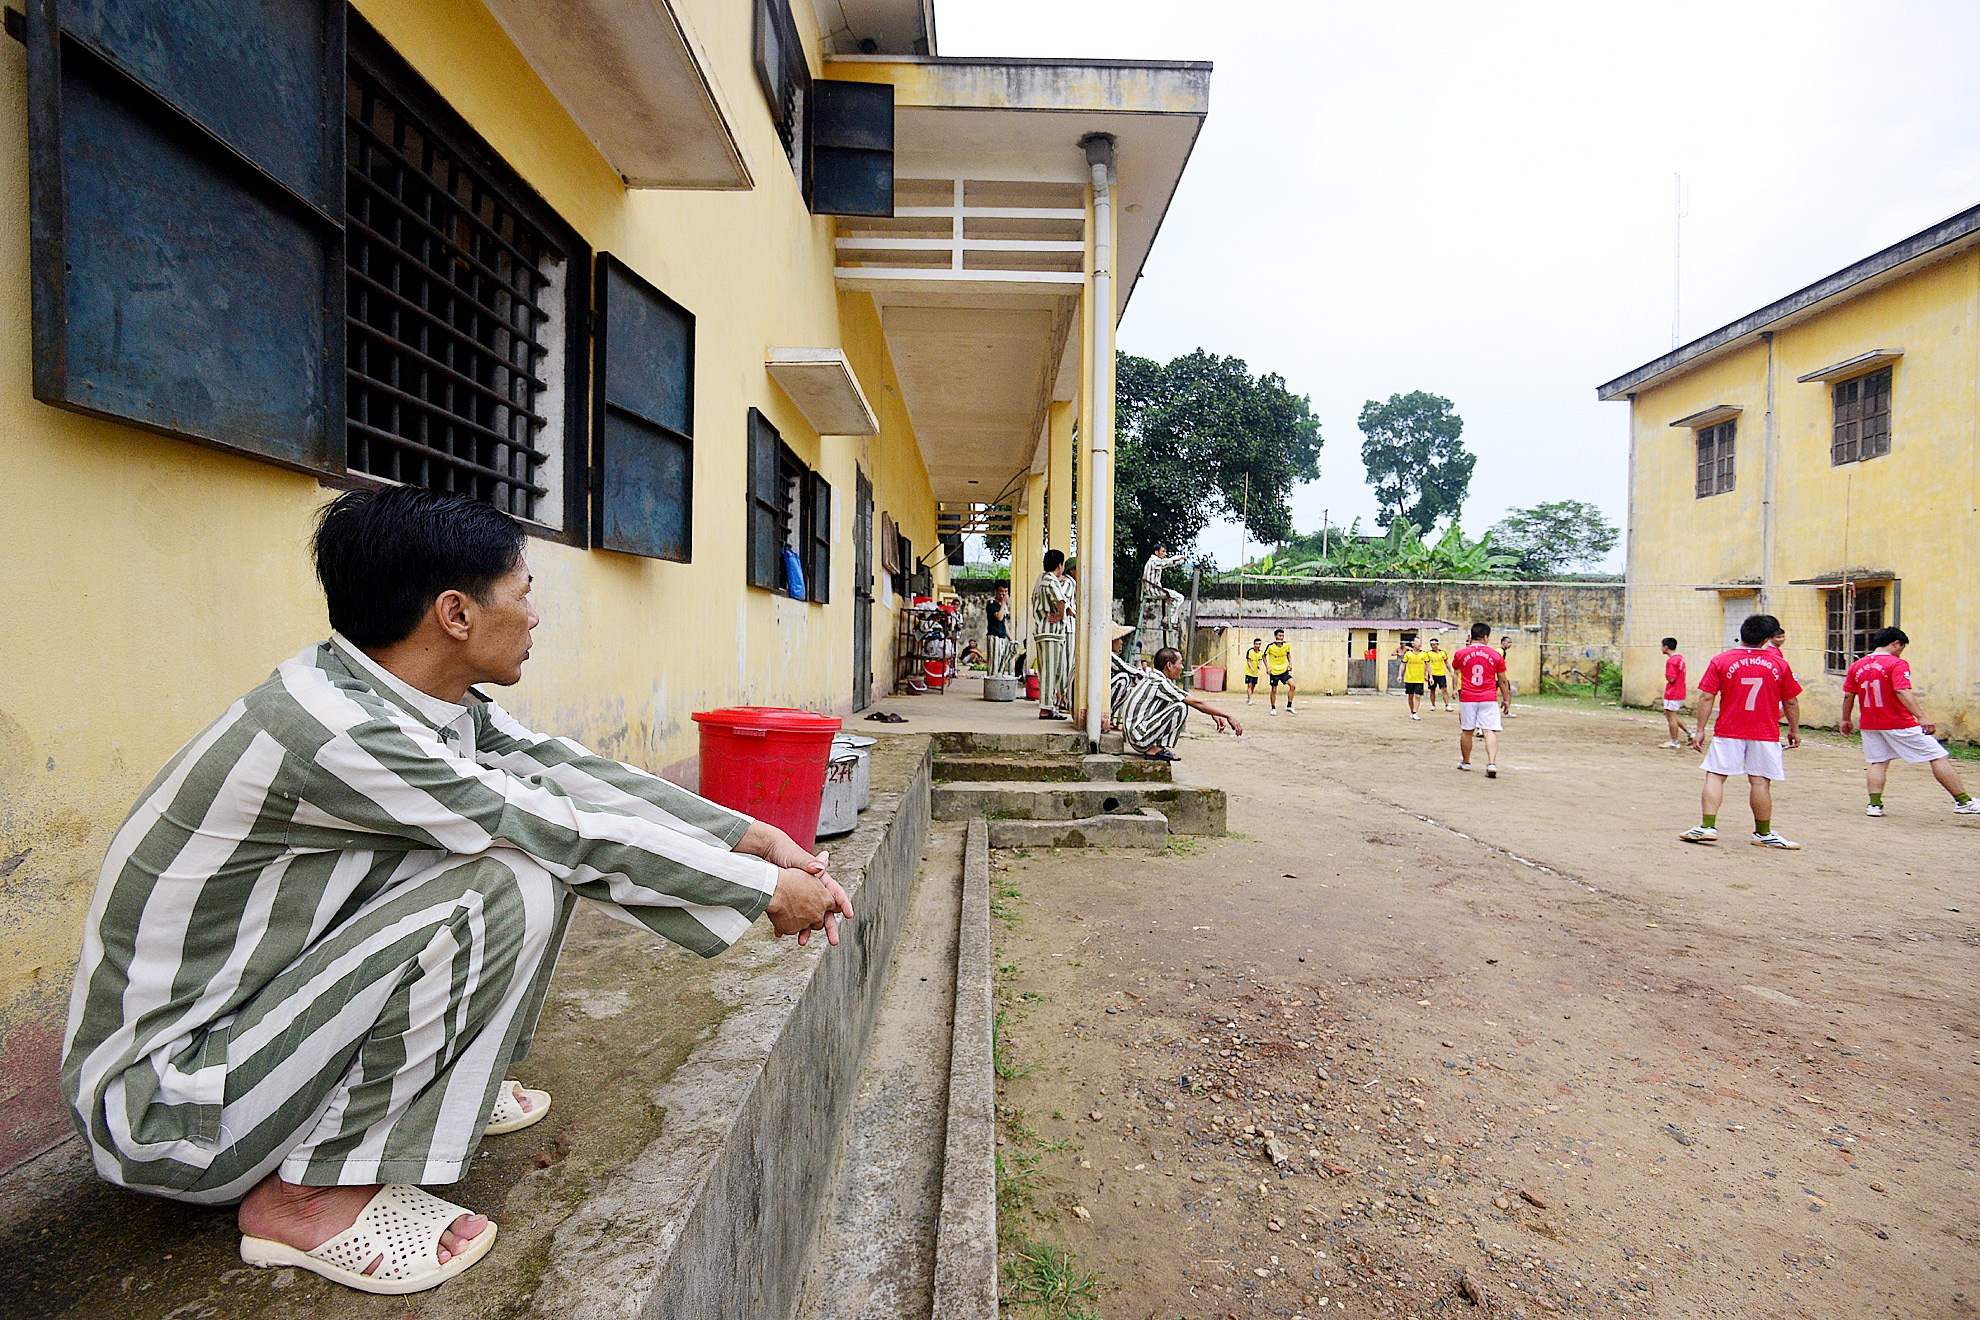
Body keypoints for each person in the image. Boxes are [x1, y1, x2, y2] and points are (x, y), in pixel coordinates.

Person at [61, 488, 854, 1297]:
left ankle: (448, 1092)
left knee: (516, 856)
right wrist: (763, 891)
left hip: (251, 1043)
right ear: (456, 614)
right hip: (166, 1109)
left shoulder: (409, 698)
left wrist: (751, 837)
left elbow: (567, 773)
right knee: (509, 873)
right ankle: (305, 1198)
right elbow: (557, 828)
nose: (535, 616)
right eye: (523, 594)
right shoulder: (339, 731)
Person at [1680, 613, 1802, 849]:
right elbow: (1791, 702)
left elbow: (1707, 696)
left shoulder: (1721, 660)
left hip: (1729, 729)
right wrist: (1794, 730)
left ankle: (1706, 827)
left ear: (1742, 633)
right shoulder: (1779, 664)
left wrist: (1700, 729)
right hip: (1764, 731)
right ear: (1767, 638)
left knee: (1715, 774)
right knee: (1760, 782)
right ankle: (1763, 833)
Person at [1841, 626, 1978, 817]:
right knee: (1937, 755)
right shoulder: (1897, 664)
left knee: (1877, 762)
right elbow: (1901, 690)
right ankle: (1963, 801)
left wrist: (1845, 719)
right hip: (1898, 721)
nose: (1901, 651)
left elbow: (1849, 695)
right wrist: (1921, 716)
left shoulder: (1857, 665)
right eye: (1901, 647)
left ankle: (1874, 805)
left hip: (1870, 723)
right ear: (1896, 643)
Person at [1113, 643, 1242, 761]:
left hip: (1134, 734)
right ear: (1169, 665)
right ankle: (1157, 749)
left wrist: (1214, 714)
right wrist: (1228, 715)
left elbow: (1188, 697)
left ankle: (1155, 746)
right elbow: (1195, 702)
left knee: (1178, 702)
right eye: (1180, 663)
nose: (1181, 667)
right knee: (1181, 707)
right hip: (1138, 738)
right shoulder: (1160, 683)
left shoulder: (1155, 678)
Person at [1453, 623, 1508, 777]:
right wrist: (1506, 699)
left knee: (1467, 730)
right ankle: (1491, 763)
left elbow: (1456, 670)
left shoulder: (1461, 654)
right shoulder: (1495, 655)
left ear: (1471, 636)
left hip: (1468, 697)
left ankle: (1466, 762)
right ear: (1486, 637)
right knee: (1489, 730)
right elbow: (1503, 680)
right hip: (1489, 697)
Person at [1030, 549, 1076, 720]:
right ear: (1060, 565)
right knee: (1051, 671)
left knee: (1046, 670)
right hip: (1051, 633)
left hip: (1042, 630)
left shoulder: (1041, 580)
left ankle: (1048, 705)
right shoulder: (1051, 580)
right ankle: (1046, 708)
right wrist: (1060, 615)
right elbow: (1061, 601)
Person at [1659, 637, 1692, 748]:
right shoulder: (1680, 658)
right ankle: (1689, 733)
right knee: (1671, 713)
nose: (1661, 648)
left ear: (1666, 647)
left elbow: (1671, 678)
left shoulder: (1672, 661)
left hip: (1673, 692)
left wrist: (1667, 677)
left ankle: (1674, 741)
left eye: (1662, 646)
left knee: (1670, 716)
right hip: (1680, 691)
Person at [985, 582, 1017, 676]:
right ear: (996, 591)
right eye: (1001, 591)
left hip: (1002, 637)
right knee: (994, 663)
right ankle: (992, 684)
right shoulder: (992, 604)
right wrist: (1003, 603)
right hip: (994, 636)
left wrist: (1011, 639)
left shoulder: (1003, 606)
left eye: (1005, 591)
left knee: (1001, 664)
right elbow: (999, 617)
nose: (1003, 594)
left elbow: (1003, 623)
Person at [1264, 628, 1297, 715]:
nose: (1281, 637)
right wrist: (1267, 667)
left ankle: (1289, 705)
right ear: (1275, 636)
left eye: (1282, 636)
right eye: (1279, 635)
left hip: (1284, 671)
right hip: (1274, 672)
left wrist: (1290, 664)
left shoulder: (1286, 645)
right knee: (1274, 690)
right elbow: (1264, 656)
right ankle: (1273, 708)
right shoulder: (1270, 646)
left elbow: (1288, 654)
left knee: (1293, 685)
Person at [1398, 639, 1429, 719]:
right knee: (1410, 696)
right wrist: (1400, 675)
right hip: (1409, 678)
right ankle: (1412, 711)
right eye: (1417, 642)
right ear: (1413, 644)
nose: (1419, 644)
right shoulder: (1408, 654)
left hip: (1419, 679)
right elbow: (1403, 665)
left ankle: (1415, 712)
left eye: (1420, 642)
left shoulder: (1424, 654)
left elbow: (1427, 665)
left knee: (1418, 696)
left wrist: (1429, 676)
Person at [1424, 639, 1453, 712]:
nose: (1433, 646)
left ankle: (1447, 705)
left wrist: (1450, 672)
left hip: (1441, 674)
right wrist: (1425, 674)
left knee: (1444, 689)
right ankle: (1433, 705)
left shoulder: (1443, 653)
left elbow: (1446, 663)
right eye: (1431, 645)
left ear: (1437, 644)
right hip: (1432, 675)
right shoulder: (1428, 654)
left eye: (1434, 644)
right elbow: (1426, 665)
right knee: (1432, 690)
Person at [1242, 637, 1265, 704]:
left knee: (1253, 686)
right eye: (1256, 644)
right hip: (1249, 672)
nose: (1258, 646)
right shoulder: (1250, 651)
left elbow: (1260, 660)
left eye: (1259, 644)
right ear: (1254, 644)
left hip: (1256, 672)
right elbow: (1248, 661)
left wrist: (1259, 665)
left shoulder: (1261, 652)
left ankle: (1249, 696)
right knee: (1249, 685)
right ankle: (1250, 699)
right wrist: (1252, 668)